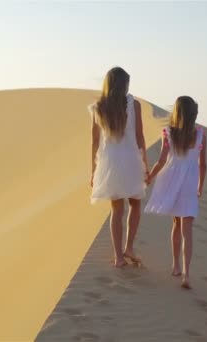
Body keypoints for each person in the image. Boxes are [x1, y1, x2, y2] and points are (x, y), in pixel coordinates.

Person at [145, 96, 207, 289]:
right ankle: (186, 274)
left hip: (172, 182)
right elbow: (202, 164)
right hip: (189, 184)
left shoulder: (168, 133)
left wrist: (150, 177)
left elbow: (162, 161)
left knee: (176, 225)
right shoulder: (200, 136)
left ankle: (175, 266)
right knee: (187, 229)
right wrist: (199, 186)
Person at [90, 66, 149, 268]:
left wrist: (93, 171)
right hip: (131, 158)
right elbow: (140, 136)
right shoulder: (135, 105)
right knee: (135, 204)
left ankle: (119, 257)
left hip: (110, 161)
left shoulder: (99, 107)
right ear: (123, 85)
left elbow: (94, 142)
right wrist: (145, 162)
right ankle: (129, 247)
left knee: (116, 209)